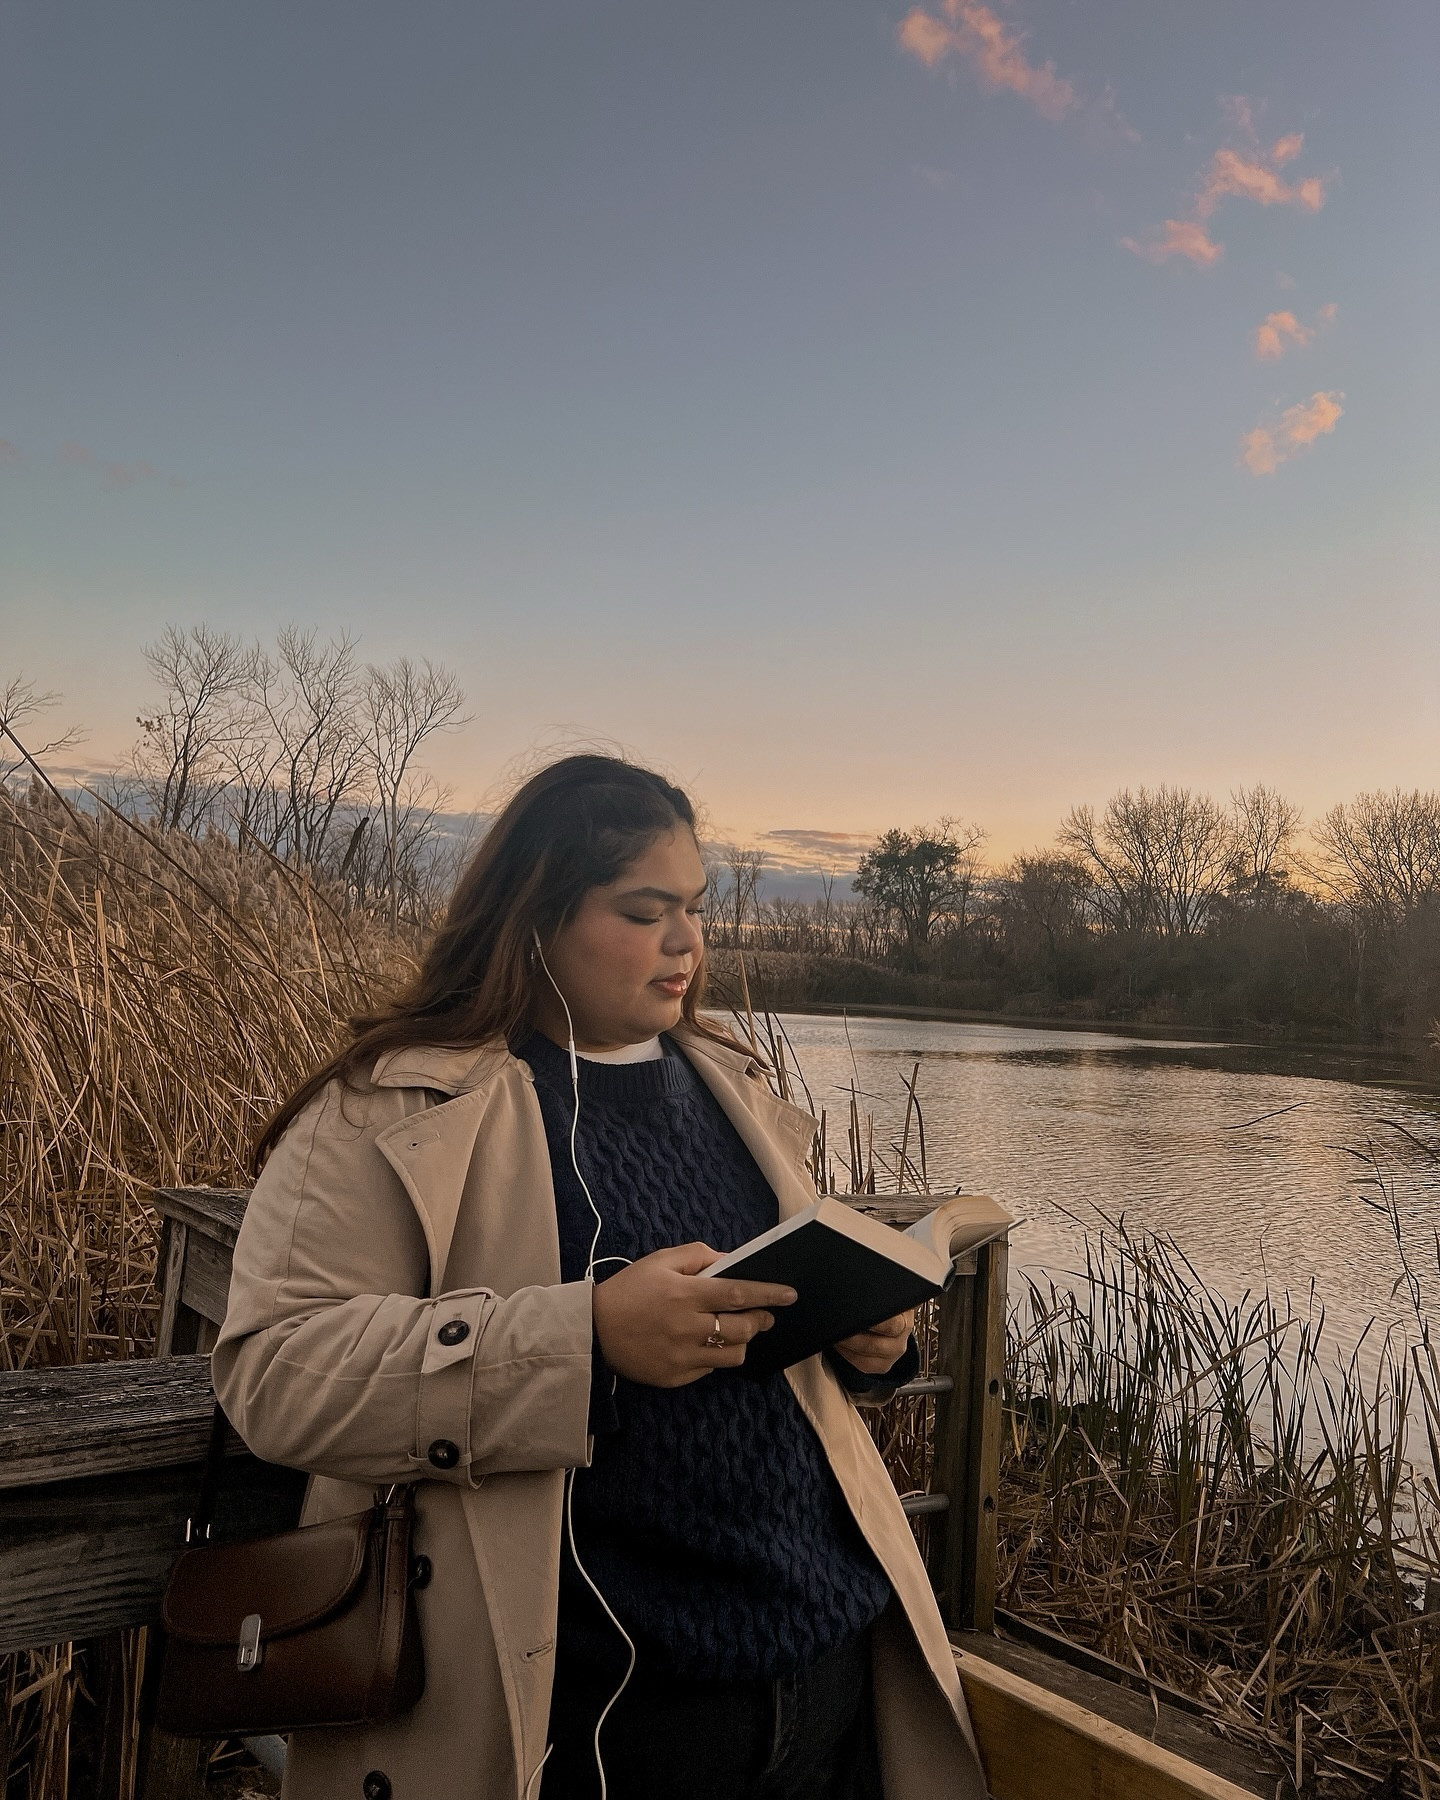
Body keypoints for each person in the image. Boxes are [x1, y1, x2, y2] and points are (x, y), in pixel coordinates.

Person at [212, 754, 987, 1800]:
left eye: (695, 908)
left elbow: (762, 1343)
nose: (687, 941)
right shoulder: (391, 1110)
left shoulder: (738, 1091)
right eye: (643, 910)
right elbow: (276, 1376)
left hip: (827, 1675)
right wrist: (581, 1342)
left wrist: (863, 1343)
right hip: (591, 1718)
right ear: (533, 918)